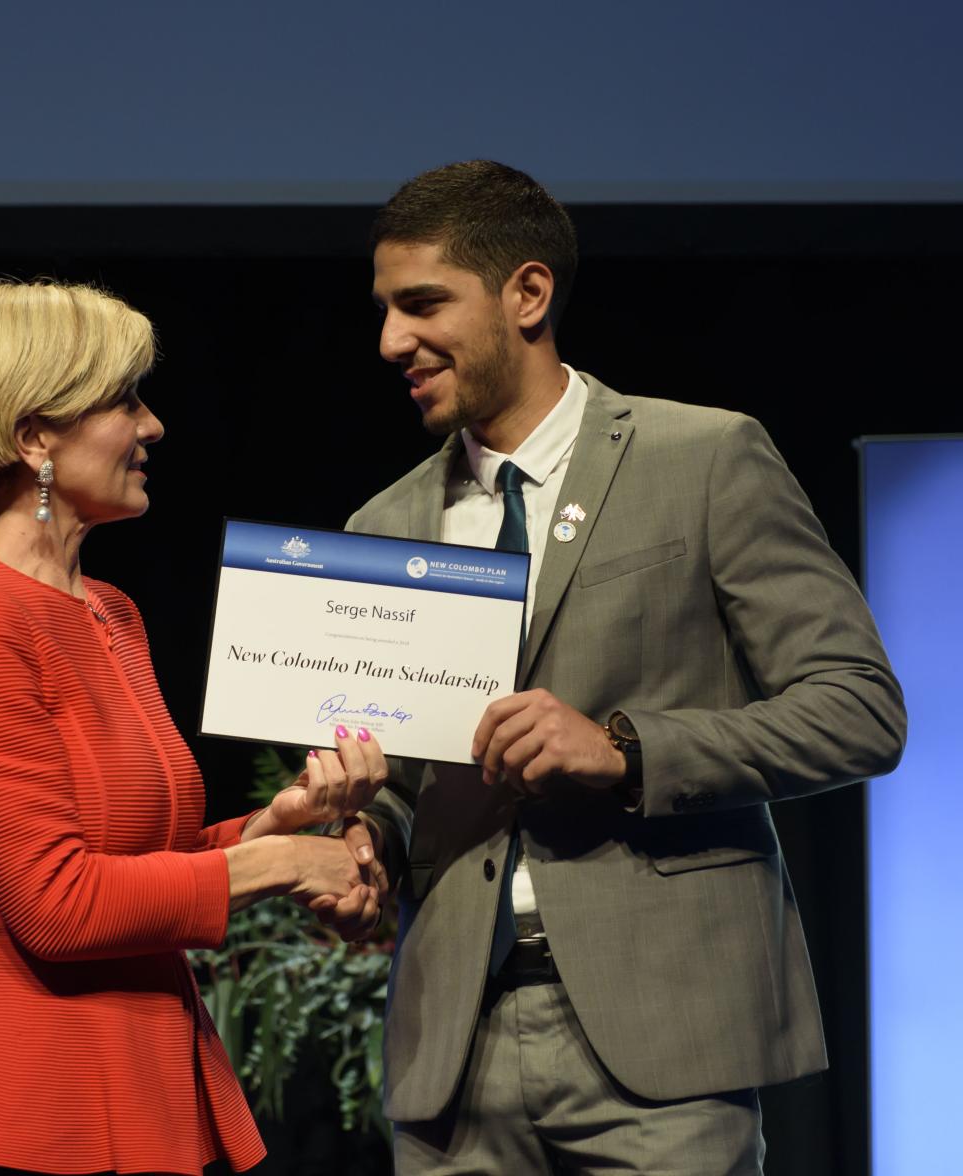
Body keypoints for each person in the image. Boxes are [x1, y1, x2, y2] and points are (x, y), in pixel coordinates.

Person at [330, 162, 906, 1174]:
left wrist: (625, 750)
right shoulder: (385, 527)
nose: (390, 342)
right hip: (452, 1056)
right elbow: (418, 783)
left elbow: (859, 709)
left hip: (664, 1043)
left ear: (529, 293)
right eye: (382, 310)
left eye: (421, 304)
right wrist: (365, 834)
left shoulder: (705, 458)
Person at [0, 279, 387, 1176]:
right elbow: (59, 906)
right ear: (33, 436)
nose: (153, 426)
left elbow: (148, 852)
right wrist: (280, 864)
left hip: (153, 1087)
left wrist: (281, 824)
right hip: (32, 1119)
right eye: (125, 400)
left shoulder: (110, 612)